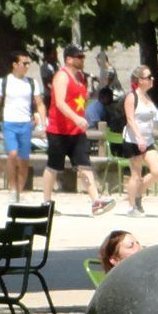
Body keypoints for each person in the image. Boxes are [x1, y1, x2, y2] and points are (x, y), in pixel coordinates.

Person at [42, 45, 115, 216]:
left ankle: (96, 202)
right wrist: (76, 118)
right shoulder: (61, 76)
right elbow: (59, 102)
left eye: (83, 56)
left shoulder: (81, 77)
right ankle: (46, 202)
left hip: (77, 131)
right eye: (79, 57)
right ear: (69, 59)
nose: (82, 59)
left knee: (84, 165)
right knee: (53, 166)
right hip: (58, 130)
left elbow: (78, 99)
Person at [0, 50, 46, 203]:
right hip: (9, 122)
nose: (27, 66)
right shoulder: (3, 82)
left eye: (28, 63)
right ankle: (12, 188)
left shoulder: (31, 83)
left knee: (23, 161)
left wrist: (43, 124)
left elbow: (39, 104)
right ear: (15, 65)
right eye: (24, 63)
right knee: (13, 154)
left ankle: (19, 192)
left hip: (25, 124)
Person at [122, 66, 158, 217]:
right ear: (140, 80)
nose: (152, 79)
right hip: (133, 140)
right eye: (148, 77)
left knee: (157, 171)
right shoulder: (132, 97)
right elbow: (130, 119)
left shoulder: (147, 97)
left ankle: (138, 194)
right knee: (136, 174)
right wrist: (139, 138)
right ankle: (132, 206)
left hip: (148, 140)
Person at [39, 45, 58, 112]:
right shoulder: (45, 67)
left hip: (57, 95)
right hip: (49, 96)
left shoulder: (56, 66)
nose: (56, 56)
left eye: (56, 53)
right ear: (48, 55)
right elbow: (47, 84)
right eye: (54, 54)